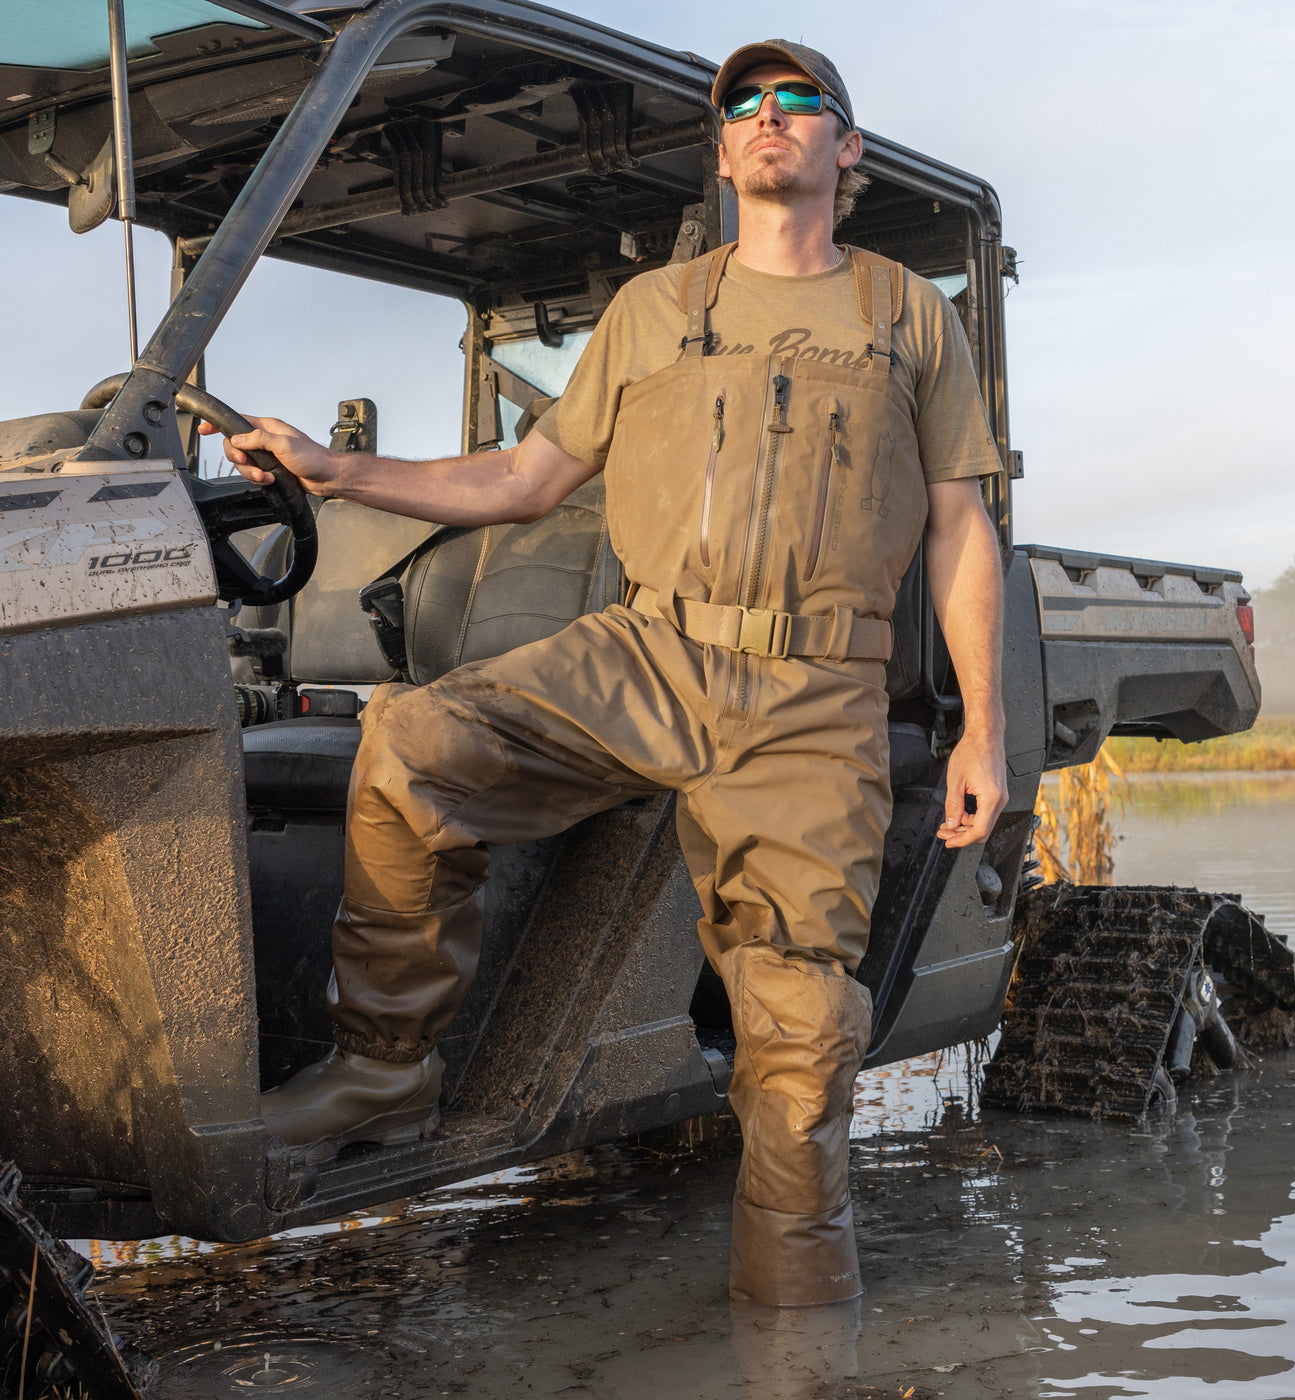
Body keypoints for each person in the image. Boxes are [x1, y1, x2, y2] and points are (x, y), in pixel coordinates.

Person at [204, 39, 1008, 1308]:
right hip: (648, 649)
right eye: (742, 101)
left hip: (814, 698)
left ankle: (797, 1351)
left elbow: (962, 529)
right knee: (413, 743)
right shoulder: (652, 312)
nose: (766, 116)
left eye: (800, 101)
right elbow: (525, 481)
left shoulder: (906, 312)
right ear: (722, 145)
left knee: (797, 1066)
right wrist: (338, 469)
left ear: (843, 149)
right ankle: (384, 1066)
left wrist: (981, 735)